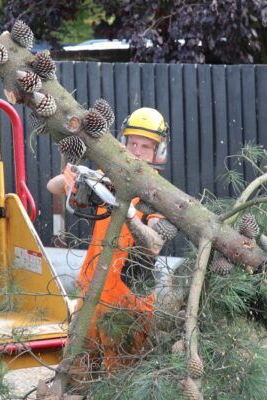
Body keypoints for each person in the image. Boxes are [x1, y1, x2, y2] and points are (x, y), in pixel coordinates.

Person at [46, 107, 170, 378]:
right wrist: (83, 175)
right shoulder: (107, 178)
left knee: (120, 379)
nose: (137, 151)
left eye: (145, 146)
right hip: (91, 293)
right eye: (133, 143)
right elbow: (53, 186)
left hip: (129, 304)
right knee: (78, 373)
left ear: (158, 152)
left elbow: (155, 243)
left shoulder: (159, 194)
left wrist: (130, 217)